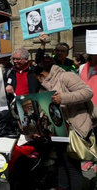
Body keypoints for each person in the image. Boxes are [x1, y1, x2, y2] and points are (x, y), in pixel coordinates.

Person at [33, 57, 94, 190]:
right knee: (61, 162)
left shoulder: (66, 76)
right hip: (58, 128)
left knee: (72, 166)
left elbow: (88, 92)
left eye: (38, 78)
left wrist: (63, 98)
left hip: (73, 127)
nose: (38, 81)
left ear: (43, 75)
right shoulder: (46, 86)